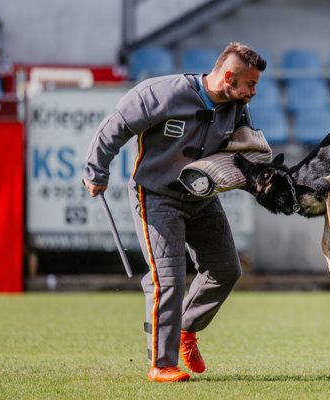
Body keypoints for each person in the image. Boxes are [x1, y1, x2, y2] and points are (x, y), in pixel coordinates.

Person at [83, 43, 266, 382]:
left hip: (201, 198)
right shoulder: (160, 93)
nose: (254, 92)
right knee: (166, 281)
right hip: (156, 195)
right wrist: (96, 171)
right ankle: (161, 364)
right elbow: (116, 127)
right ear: (228, 77)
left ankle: (185, 330)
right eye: (250, 84)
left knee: (226, 270)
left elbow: (242, 149)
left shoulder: (238, 107)